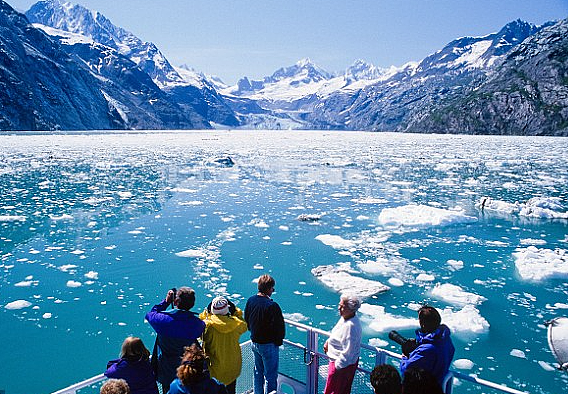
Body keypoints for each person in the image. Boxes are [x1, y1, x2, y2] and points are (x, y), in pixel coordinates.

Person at [146, 287, 205, 394]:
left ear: (176, 301)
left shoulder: (162, 321)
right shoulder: (198, 324)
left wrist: (166, 302)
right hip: (189, 369)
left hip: (166, 371)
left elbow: (150, 314)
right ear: (192, 304)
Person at [244, 274, 285, 394]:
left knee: (258, 372)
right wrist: (278, 341)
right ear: (268, 288)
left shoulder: (251, 300)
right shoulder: (272, 306)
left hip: (255, 342)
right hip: (268, 345)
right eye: (272, 288)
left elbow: (247, 318)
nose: (273, 291)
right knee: (270, 376)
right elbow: (279, 327)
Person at [200, 296, 248, 394]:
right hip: (232, 368)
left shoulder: (208, 326)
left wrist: (206, 313)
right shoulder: (236, 324)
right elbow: (244, 325)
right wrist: (236, 311)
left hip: (214, 370)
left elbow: (200, 328)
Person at [399, 305, 455, 388]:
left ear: (423, 324)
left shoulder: (427, 349)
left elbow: (407, 370)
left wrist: (404, 356)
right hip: (437, 385)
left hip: (425, 388)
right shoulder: (445, 339)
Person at [323, 294, 362, 394]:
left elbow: (348, 352)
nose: (339, 308)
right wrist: (329, 341)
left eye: (342, 306)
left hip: (341, 367)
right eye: (339, 305)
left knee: (334, 391)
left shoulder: (351, 327)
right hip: (340, 364)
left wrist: (337, 367)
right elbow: (338, 333)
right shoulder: (346, 318)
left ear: (351, 309)